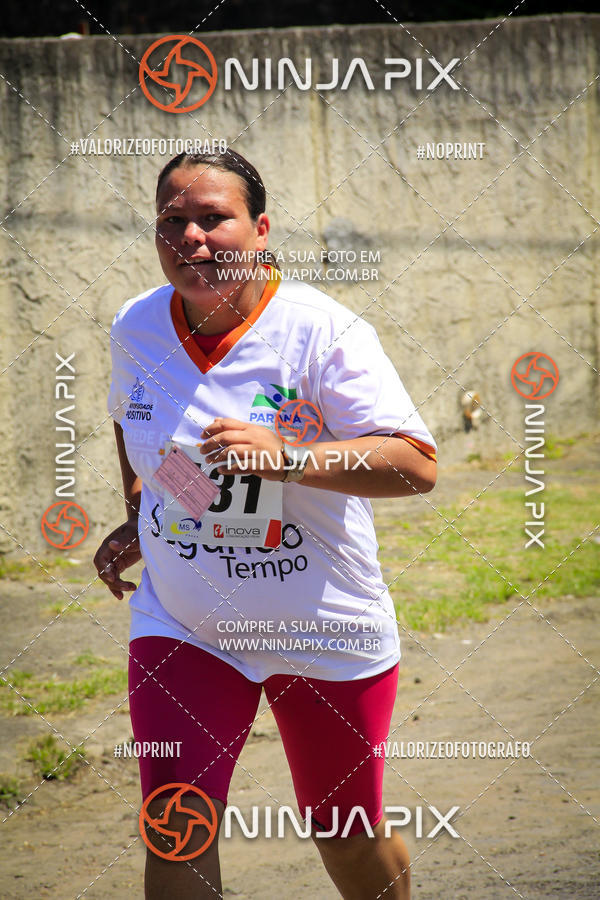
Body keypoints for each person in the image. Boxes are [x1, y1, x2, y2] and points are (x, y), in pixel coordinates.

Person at [94, 148, 437, 900]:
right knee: (174, 828)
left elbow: (414, 465)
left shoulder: (324, 332)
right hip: (184, 624)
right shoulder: (136, 327)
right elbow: (133, 422)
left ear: (260, 231)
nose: (192, 238)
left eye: (214, 218)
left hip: (321, 625)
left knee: (346, 831)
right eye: (172, 222)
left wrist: (290, 459)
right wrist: (138, 513)